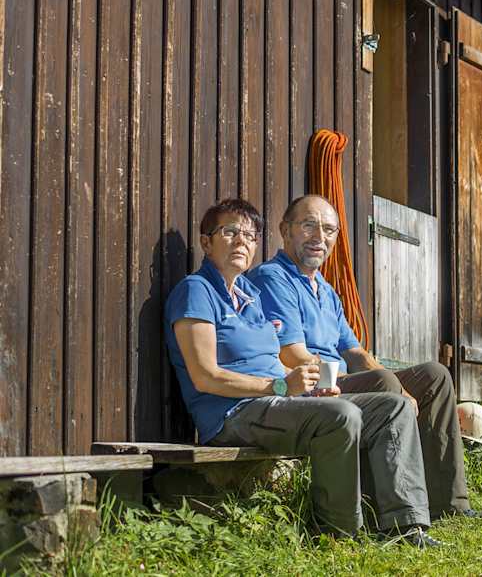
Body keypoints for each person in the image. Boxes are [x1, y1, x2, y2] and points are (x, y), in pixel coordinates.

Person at [163, 198, 442, 546]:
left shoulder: (249, 294)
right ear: (207, 242)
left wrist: (310, 389)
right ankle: (338, 534)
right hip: (232, 412)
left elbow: (275, 361)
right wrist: (280, 386)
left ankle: (406, 527)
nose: (241, 242)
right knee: (341, 416)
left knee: (393, 407)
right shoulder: (196, 291)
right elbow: (205, 376)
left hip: (273, 400)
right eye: (230, 232)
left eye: (250, 236)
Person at [248, 194, 482, 521]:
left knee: (434, 376)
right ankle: (383, 505)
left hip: (344, 381)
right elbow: (292, 354)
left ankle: (449, 504)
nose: (320, 237)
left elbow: (357, 353)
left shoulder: (325, 290)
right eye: (309, 226)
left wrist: (405, 388)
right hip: (312, 389)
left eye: (329, 230)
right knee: (383, 381)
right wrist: (391, 386)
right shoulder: (273, 277)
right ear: (285, 230)